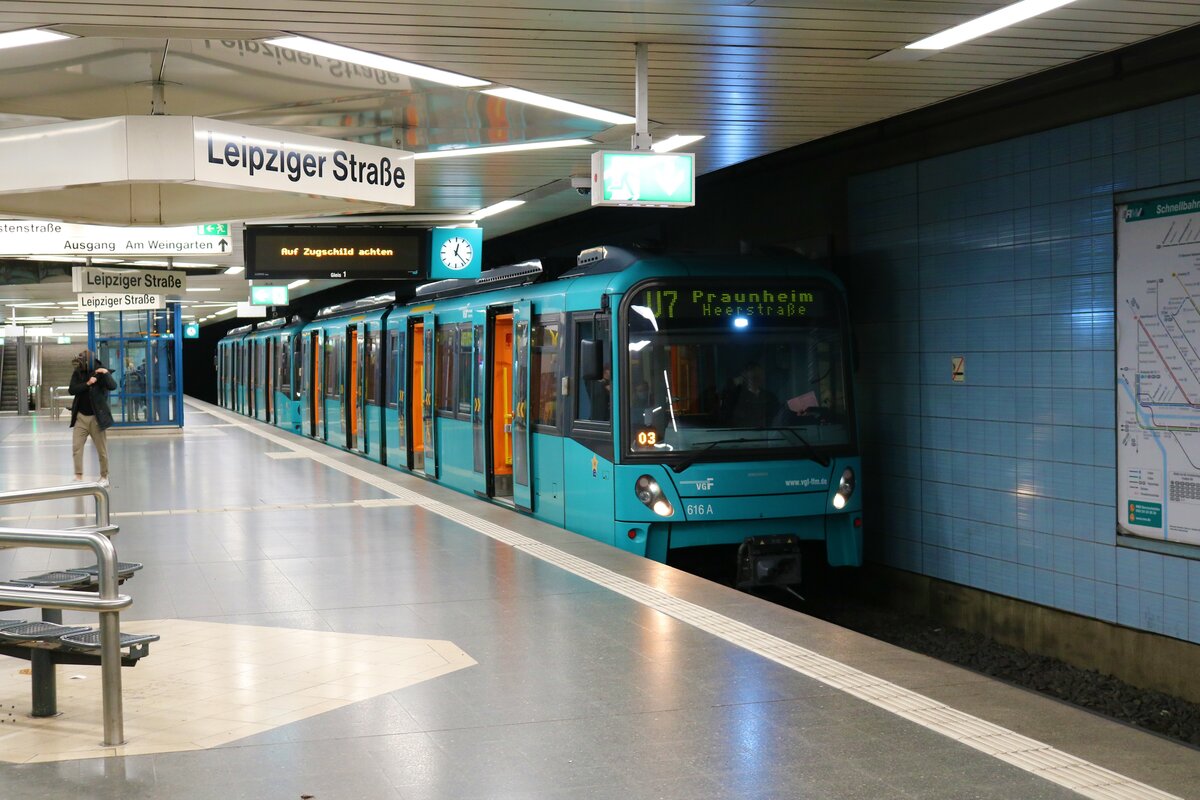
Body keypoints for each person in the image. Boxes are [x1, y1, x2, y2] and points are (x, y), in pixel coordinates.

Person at [69, 350, 117, 487]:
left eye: (82, 360)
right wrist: (88, 383)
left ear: (88, 361)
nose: (79, 364)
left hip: (96, 418)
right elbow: (72, 390)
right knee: (76, 447)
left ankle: (104, 476)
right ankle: (78, 476)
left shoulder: (100, 371)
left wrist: (105, 373)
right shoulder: (78, 372)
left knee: (102, 450)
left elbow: (113, 386)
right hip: (81, 417)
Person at [722, 362, 779, 427]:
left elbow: (776, 417)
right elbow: (729, 417)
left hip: (767, 431)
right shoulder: (736, 396)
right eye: (754, 377)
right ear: (745, 376)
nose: (757, 379)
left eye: (760, 376)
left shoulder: (770, 397)